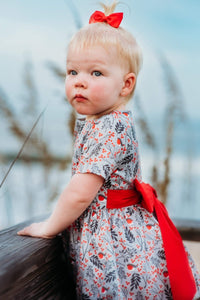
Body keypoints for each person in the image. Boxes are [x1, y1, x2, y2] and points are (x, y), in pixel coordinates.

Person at [18, 1, 200, 299]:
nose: (80, 81)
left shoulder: (108, 127)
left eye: (96, 73)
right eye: (72, 71)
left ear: (126, 85)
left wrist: (49, 226)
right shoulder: (104, 122)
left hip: (114, 243)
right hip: (120, 230)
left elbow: (80, 192)